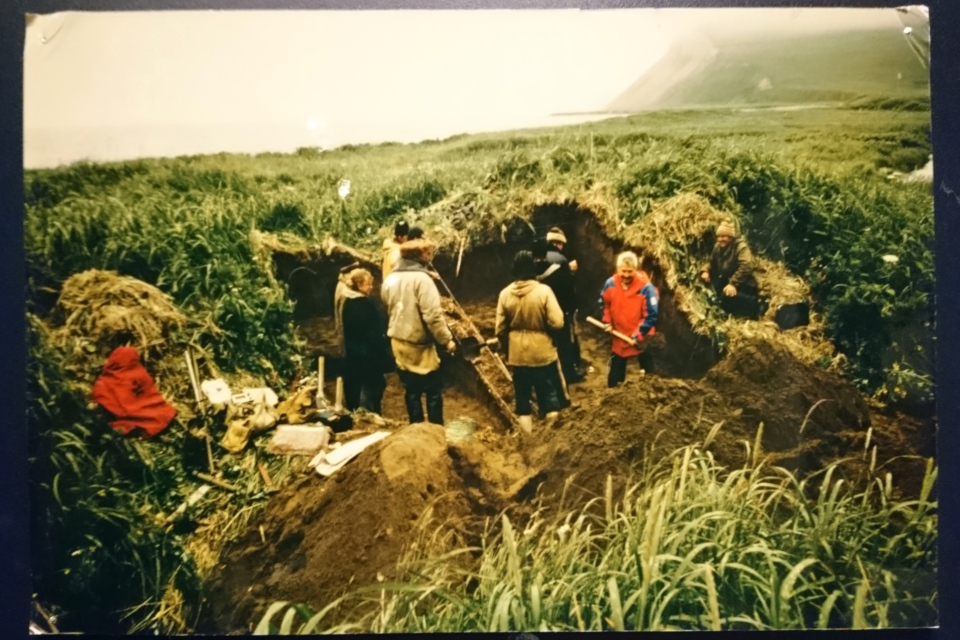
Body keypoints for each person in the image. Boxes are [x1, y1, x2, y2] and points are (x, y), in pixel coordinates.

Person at [381, 238, 456, 425]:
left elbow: (387, 304)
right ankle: (435, 433)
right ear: (420, 257)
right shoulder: (423, 280)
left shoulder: (390, 279)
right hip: (419, 346)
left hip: (398, 341)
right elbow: (433, 316)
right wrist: (446, 340)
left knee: (411, 390)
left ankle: (416, 430)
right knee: (433, 391)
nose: (431, 256)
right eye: (428, 253)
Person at [495, 250, 564, 434]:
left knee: (523, 399)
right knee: (548, 395)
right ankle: (551, 439)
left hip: (518, 356)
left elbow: (499, 329)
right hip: (542, 353)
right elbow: (558, 321)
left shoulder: (504, 294)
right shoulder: (544, 291)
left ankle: (528, 439)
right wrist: (545, 330)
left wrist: (507, 347)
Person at [599, 251, 659, 387]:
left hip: (641, 336)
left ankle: (653, 391)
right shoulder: (611, 284)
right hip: (620, 334)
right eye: (623, 271)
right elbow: (604, 303)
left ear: (636, 270)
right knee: (616, 375)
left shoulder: (645, 288)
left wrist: (638, 335)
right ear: (618, 269)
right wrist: (607, 321)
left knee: (650, 372)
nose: (626, 275)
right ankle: (613, 394)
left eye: (630, 271)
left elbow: (651, 315)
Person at [536, 228, 585, 384]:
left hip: (541, 308)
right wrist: (573, 308)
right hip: (560, 308)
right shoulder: (560, 259)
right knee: (564, 341)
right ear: (559, 243)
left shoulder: (537, 258)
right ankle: (569, 373)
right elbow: (567, 287)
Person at [340, 268, 392, 414]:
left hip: (355, 351)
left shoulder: (348, 302)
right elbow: (372, 331)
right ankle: (368, 414)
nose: (371, 287)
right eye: (368, 284)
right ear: (359, 285)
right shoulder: (363, 305)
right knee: (372, 385)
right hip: (368, 353)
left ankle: (358, 410)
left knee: (356, 384)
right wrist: (382, 349)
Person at [700, 220, 764, 319]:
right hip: (728, 278)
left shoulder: (740, 247)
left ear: (731, 237)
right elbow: (711, 261)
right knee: (715, 292)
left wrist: (733, 283)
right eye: (719, 236)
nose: (721, 239)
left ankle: (757, 307)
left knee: (727, 298)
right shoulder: (718, 247)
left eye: (724, 236)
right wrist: (705, 271)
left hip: (744, 282)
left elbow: (747, 266)